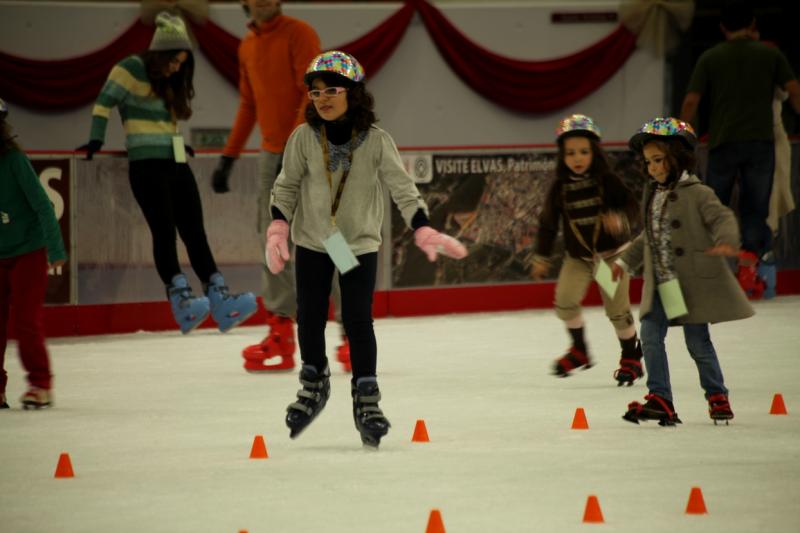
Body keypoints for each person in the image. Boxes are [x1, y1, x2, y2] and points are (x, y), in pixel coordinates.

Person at [267, 51, 467, 447]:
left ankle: (366, 395)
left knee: (358, 319)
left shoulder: (376, 141)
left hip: (356, 245)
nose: (322, 98)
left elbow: (402, 188)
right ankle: (314, 381)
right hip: (312, 242)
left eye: (332, 90)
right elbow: (286, 185)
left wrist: (422, 227)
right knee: (307, 315)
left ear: (353, 94)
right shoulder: (304, 138)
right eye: (315, 92)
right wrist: (278, 224)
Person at [79, 12, 256, 334]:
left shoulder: (169, 82)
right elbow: (104, 104)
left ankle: (220, 297)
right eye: (174, 61)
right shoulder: (129, 68)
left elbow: (170, 125)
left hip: (174, 162)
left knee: (195, 231)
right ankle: (182, 300)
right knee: (164, 232)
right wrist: (96, 139)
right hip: (145, 166)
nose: (177, 68)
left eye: (182, 63)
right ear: (160, 54)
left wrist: (178, 147)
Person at [211, 0, 350, 373]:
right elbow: (248, 104)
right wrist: (229, 156)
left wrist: (294, 152)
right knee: (270, 240)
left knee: (332, 236)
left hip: (312, 148)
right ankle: (281, 334)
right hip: (272, 154)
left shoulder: (298, 33)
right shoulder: (247, 45)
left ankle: (354, 330)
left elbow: (312, 94)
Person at [614, 117, 754, 426]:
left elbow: (722, 218)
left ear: (678, 157)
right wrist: (623, 263)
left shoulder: (697, 193)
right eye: (649, 161)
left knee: (697, 342)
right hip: (664, 286)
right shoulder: (653, 194)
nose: (652, 167)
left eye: (659, 160)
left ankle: (716, 394)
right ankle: (660, 398)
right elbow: (647, 236)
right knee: (650, 335)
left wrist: (727, 240)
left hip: (690, 285)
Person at [679, 0, 800, 296]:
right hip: (760, 143)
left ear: (723, 28)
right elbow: (794, 90)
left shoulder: (711, 57)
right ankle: (750, 268)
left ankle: (712, 270)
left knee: (714, 204)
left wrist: (679, 135)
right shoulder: (769, 54)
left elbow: (693, 100)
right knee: (756, 208)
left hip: (722, 142)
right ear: (753, 24)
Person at [531, 114, 643, 386]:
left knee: (617, 310)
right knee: (565, 301)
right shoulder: (560, 188)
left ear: (594, 152)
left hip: (610, 258)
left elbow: (632, 207)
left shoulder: (608, 181)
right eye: (570, 153)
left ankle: (631, 356)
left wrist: (620, 219)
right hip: (579, 259)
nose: (577, 158)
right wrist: (541, 257)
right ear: (562, 156)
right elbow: (547, 224)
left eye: (583, 151)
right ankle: (579, 350)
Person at [0, 97, 67, 409]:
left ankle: (40, 384)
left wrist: (55, 249)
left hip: (28, 251)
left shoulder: (14, 161)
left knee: (25, 321)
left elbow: (43, 205)